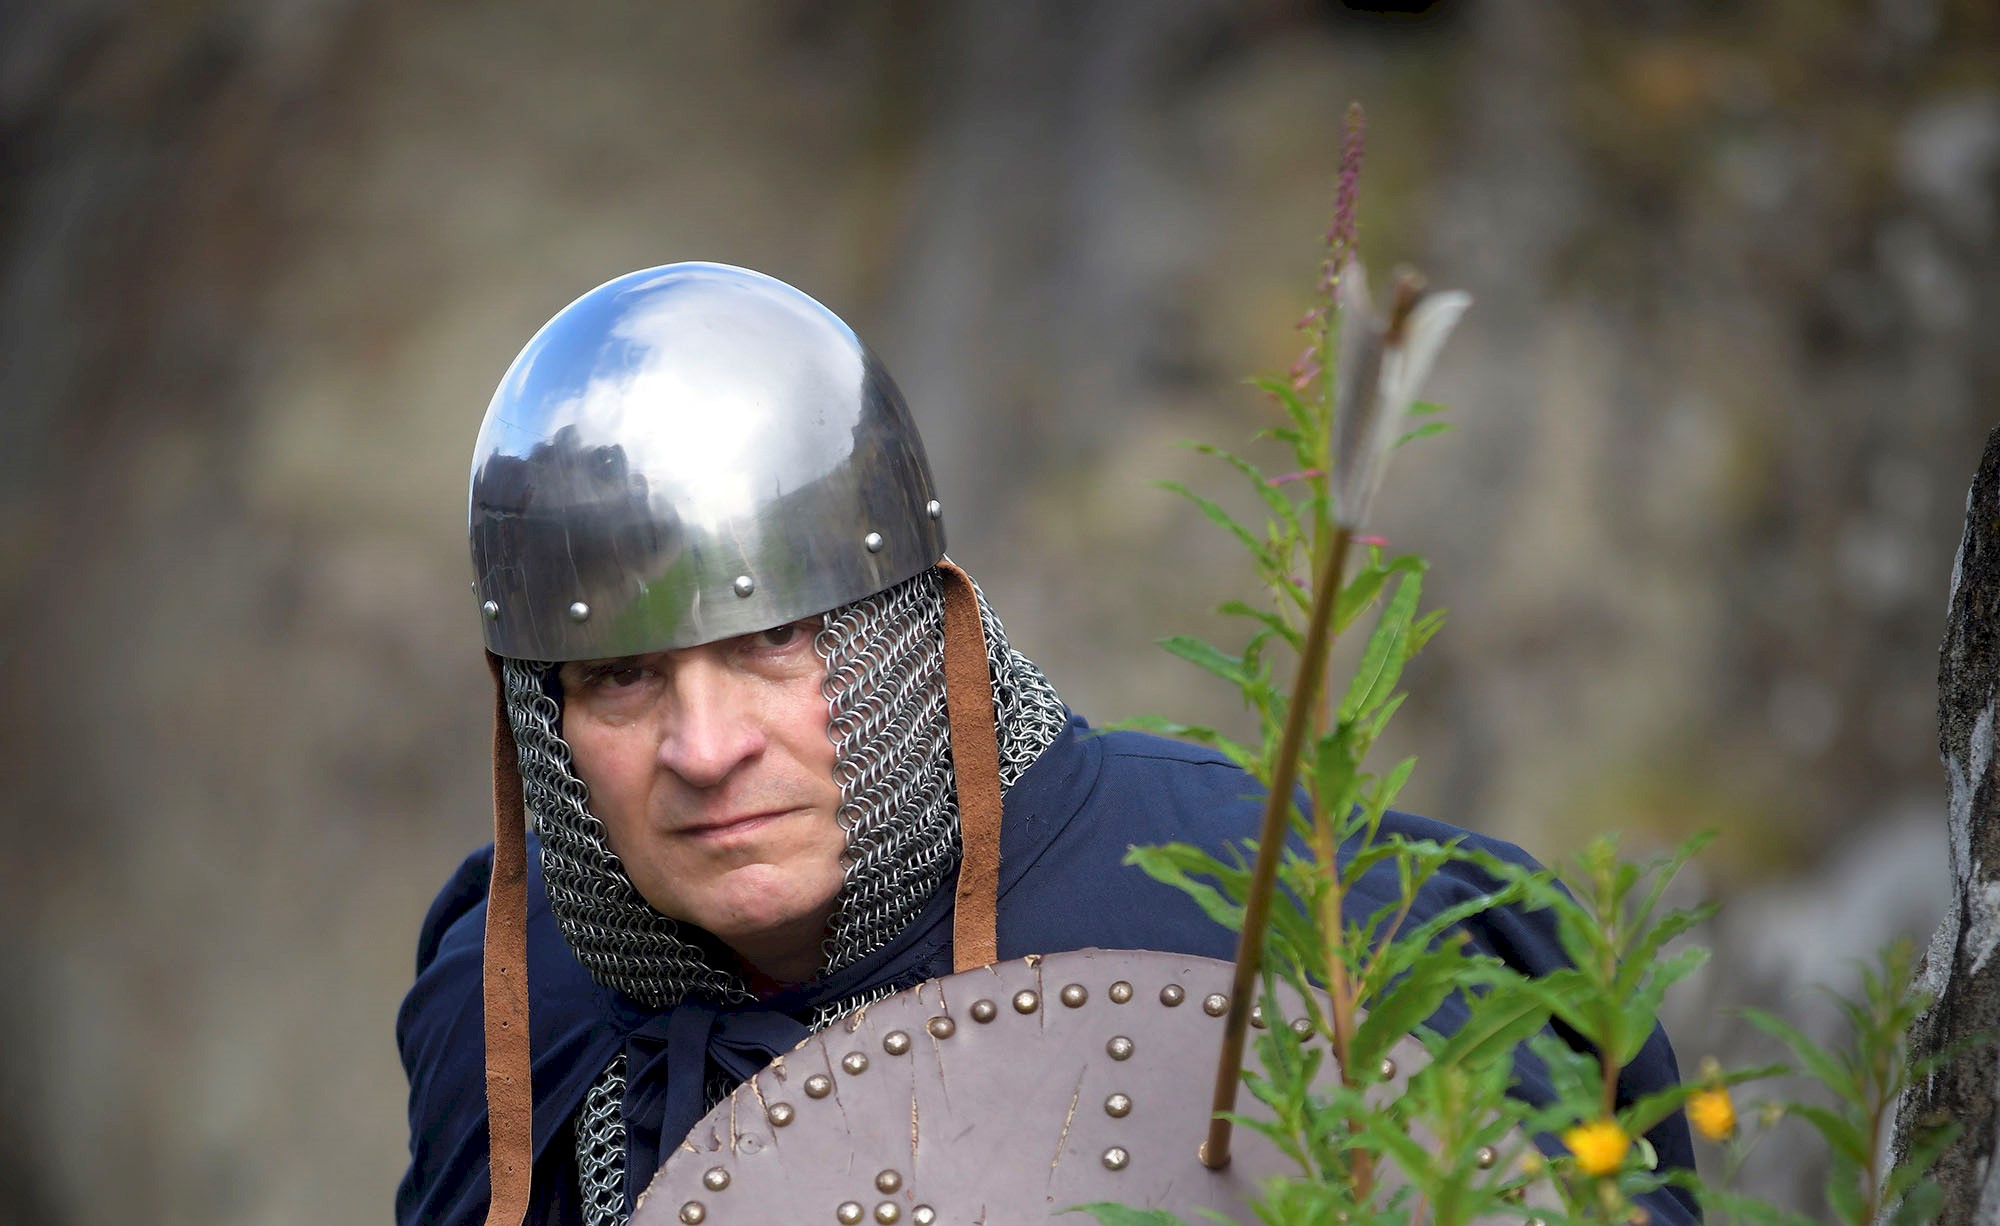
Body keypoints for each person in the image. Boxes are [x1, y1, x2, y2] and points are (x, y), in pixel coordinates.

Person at [395, 262, 1697, 1226]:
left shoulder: (1255, 900)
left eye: (773, 645)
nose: (704, 743)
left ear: (910, 626)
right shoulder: (515, 1010)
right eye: (621, 679)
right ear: (541, 724)